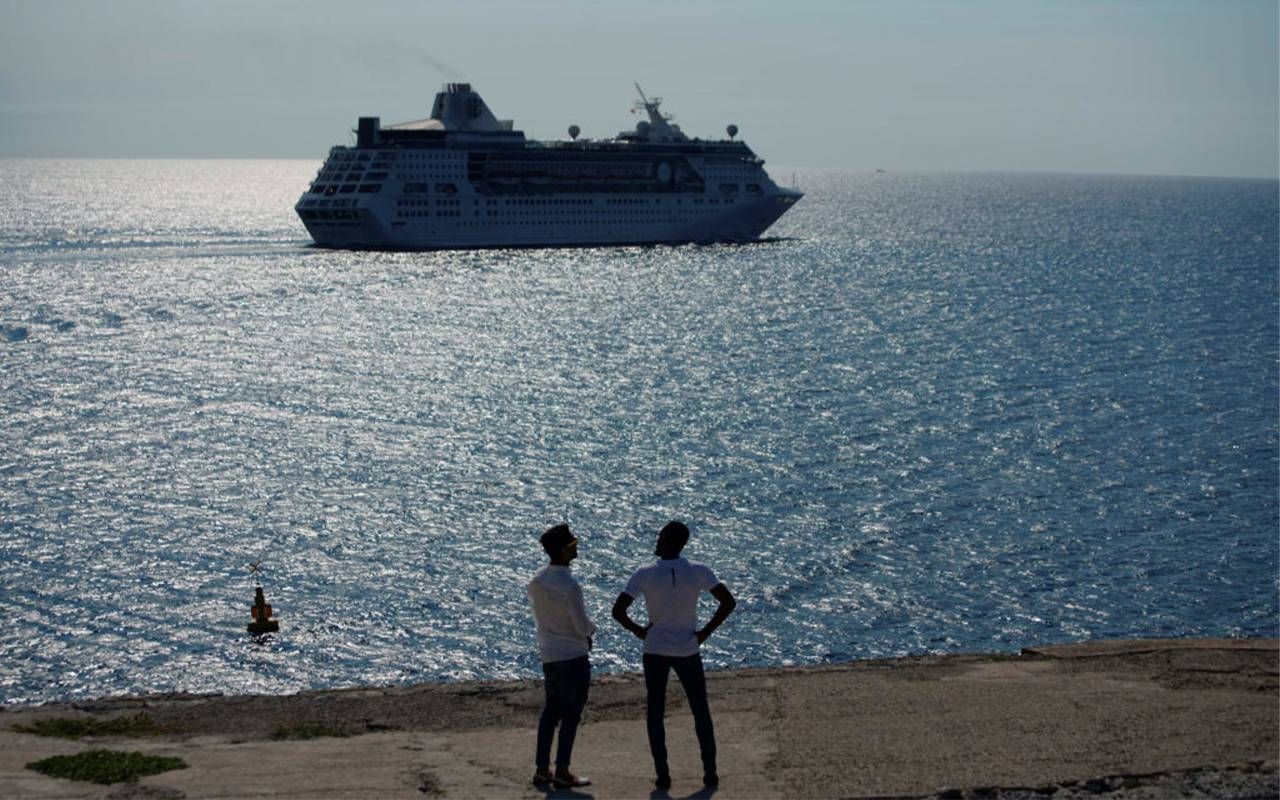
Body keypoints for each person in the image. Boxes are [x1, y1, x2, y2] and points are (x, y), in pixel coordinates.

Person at [612, 520, 737, 790]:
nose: (657, 540)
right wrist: (705, 633)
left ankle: (663, 775)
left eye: (661, 536)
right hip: (687, 648)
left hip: (655, 650)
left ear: (669, 540)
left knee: (655, 712)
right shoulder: (699, 571)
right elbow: (728, 602)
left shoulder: (643, 574)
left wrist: (639, 631)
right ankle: (710, 772)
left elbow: (618, 611)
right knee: (700, 710)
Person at [527, 523, 594, 789]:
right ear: (565, 550)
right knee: (571, 715)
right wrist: (591, 630)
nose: (576, 546)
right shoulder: (570, 585)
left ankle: (542, 768)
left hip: (550, 654)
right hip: (573, 655)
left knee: (550, 713)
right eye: (572, 544)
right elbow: (580, 624)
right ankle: (562, 770)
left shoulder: (537, 582)